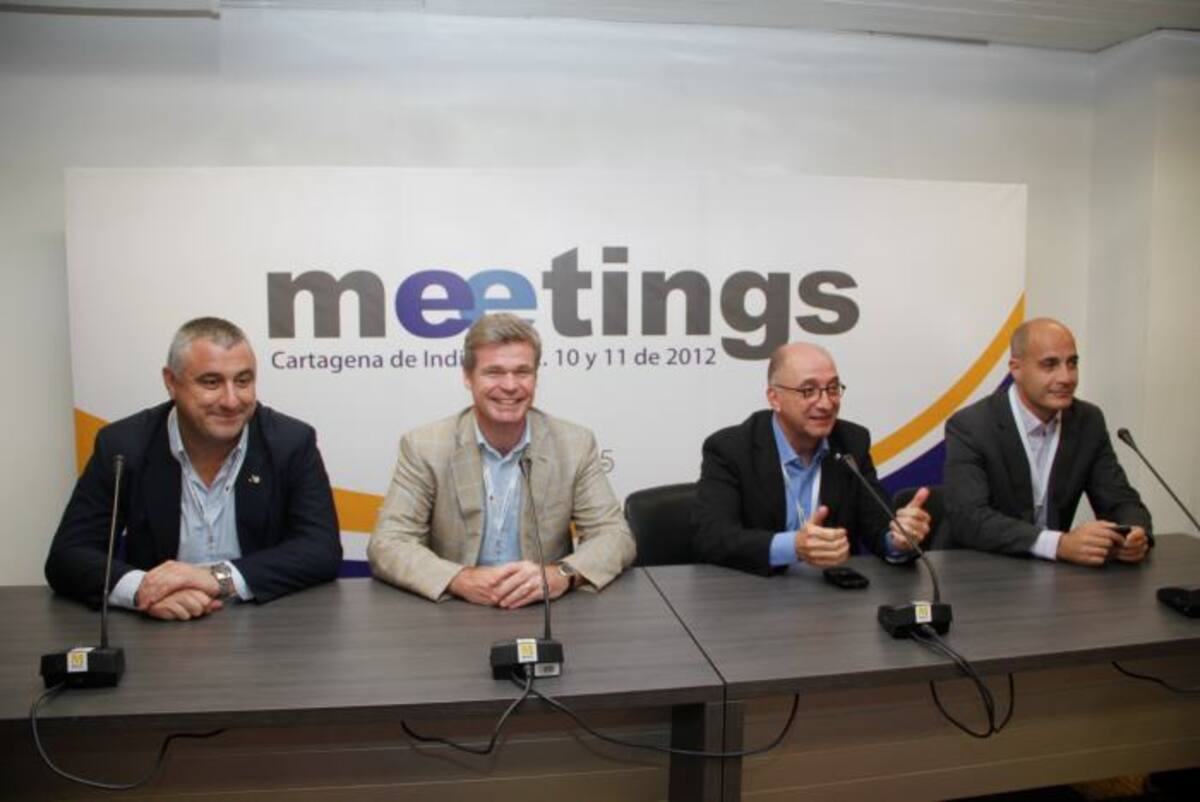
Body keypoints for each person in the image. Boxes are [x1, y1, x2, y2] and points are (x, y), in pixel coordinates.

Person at [45, 317, 342, 619]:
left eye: (243, 381)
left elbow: (320, 550)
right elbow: (68, 556)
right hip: (161, 630)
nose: (231, 400)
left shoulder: (290, 443)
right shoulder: (124, 445)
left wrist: (218, 578)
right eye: (211, 383)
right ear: (171, 382)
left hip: (264, 625)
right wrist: (143, 590)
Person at [369, 313, 635, 605]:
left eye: (522, 372)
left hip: (545, 610)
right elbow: (388, 543)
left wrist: (561, 573)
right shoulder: (424, 446)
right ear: (467, 377)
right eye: (494, 372)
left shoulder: (574, 444)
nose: (510, 386)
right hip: (456, 610)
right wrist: (459, 579)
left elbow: (614, 536)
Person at [694, 342, 931, 575]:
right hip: (753, 596)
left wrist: (899, 539)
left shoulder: (851, 443)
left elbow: (877, 527)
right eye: (808, 391)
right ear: (774, 398)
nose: (826, 403)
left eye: (833, 388)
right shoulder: (730, 449)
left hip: (829, 599)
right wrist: (793, 546)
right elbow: (714, 538)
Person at [944, 317, 1152, 565]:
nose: (1066, 377)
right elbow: (969, 518)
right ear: (1016, 368)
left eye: (1072, 363)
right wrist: (1059, 544)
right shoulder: (972, 425)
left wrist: (1134, 533)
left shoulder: (1087, 420)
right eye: (1050, 365)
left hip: (1055, 577)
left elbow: (1120, 500)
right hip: (982, 572)